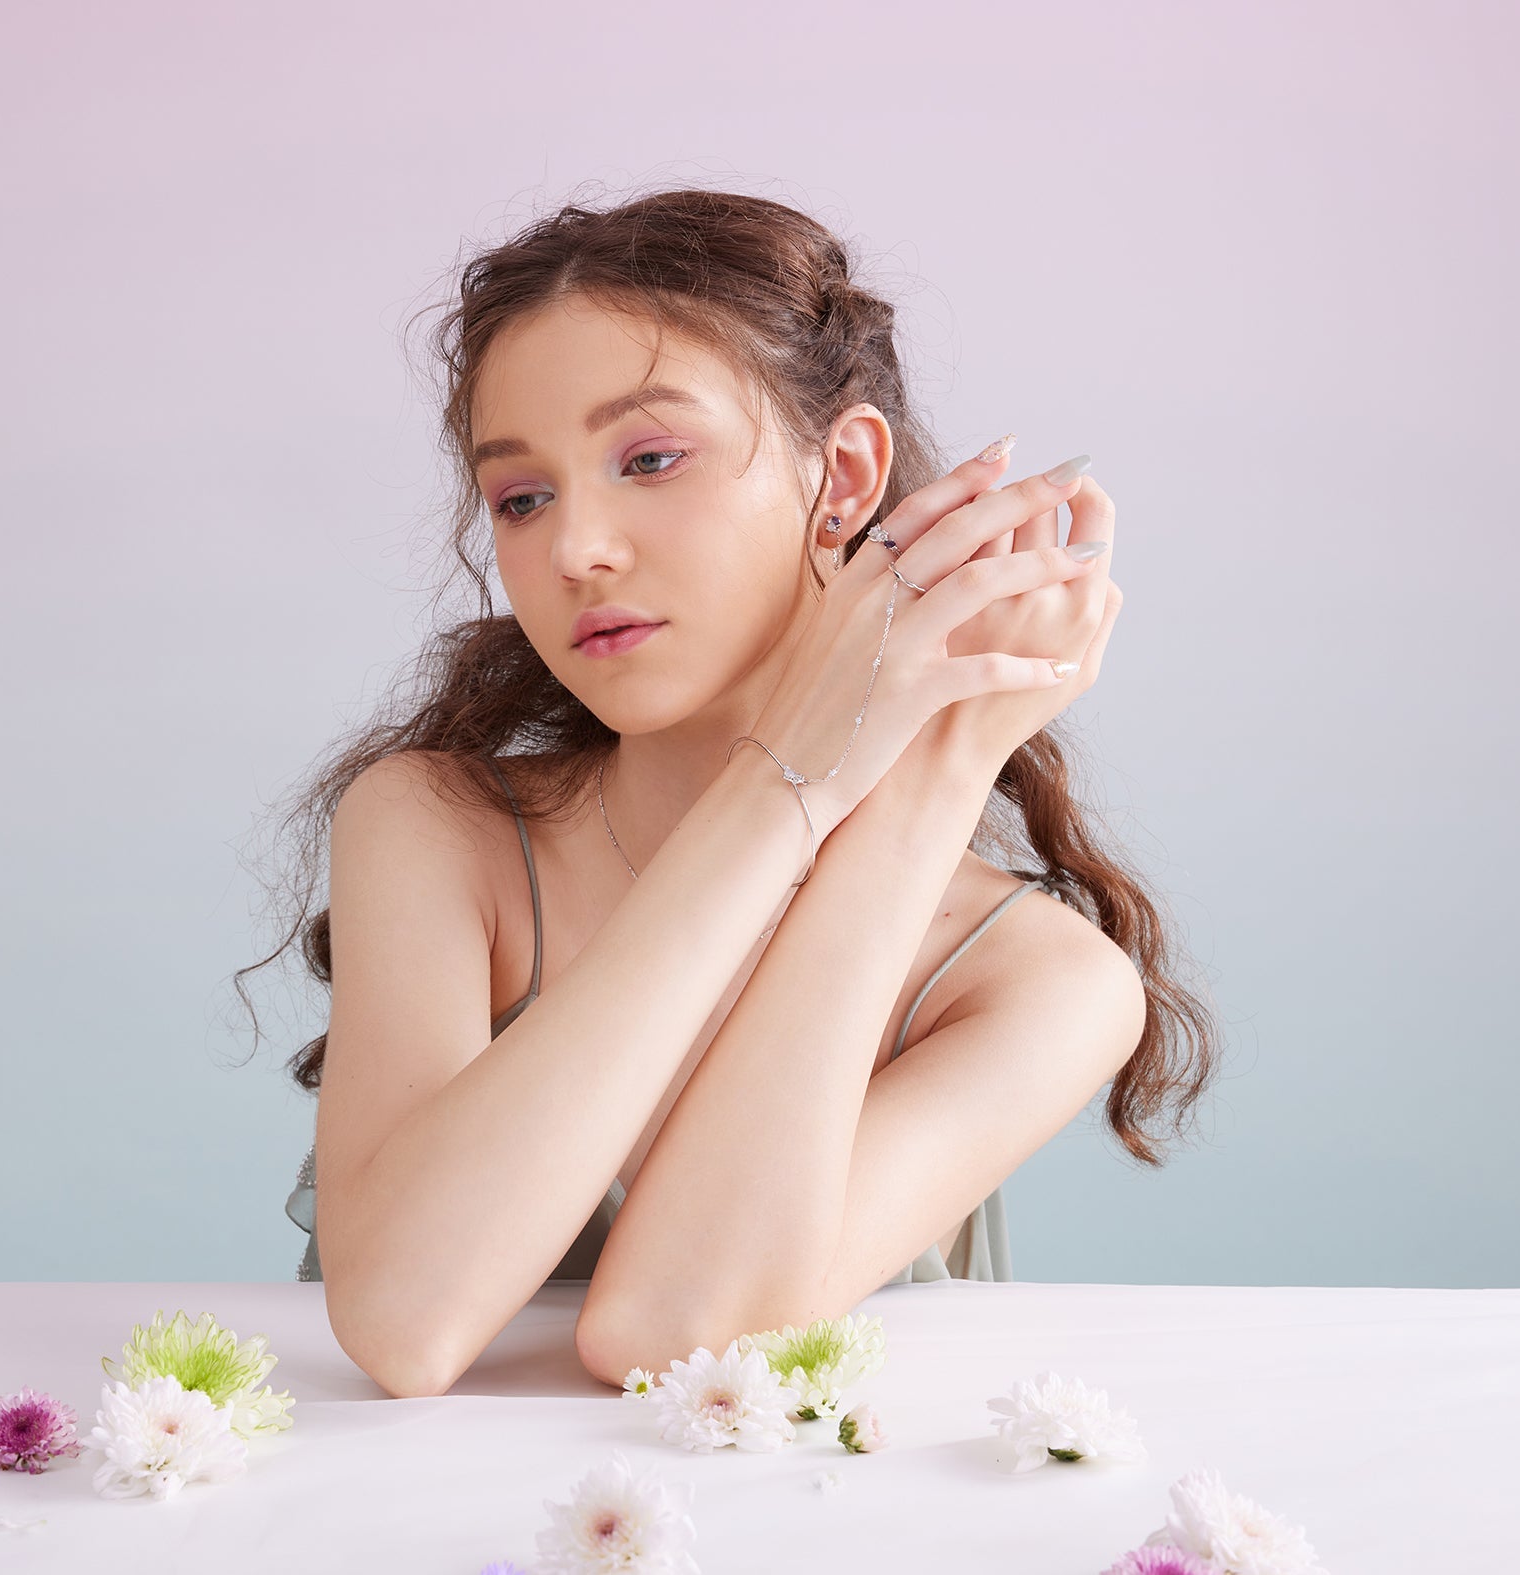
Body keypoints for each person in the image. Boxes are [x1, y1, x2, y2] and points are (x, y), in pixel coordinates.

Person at [231, 187, 1220, 1398]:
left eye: (649, 459)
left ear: (844, 477)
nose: (574, 549)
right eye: (521, 497)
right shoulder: (438, 828)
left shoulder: (1039, 981)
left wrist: (929, 781)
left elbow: (676, 1330)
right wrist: (788, 788)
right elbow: (402, 1322)